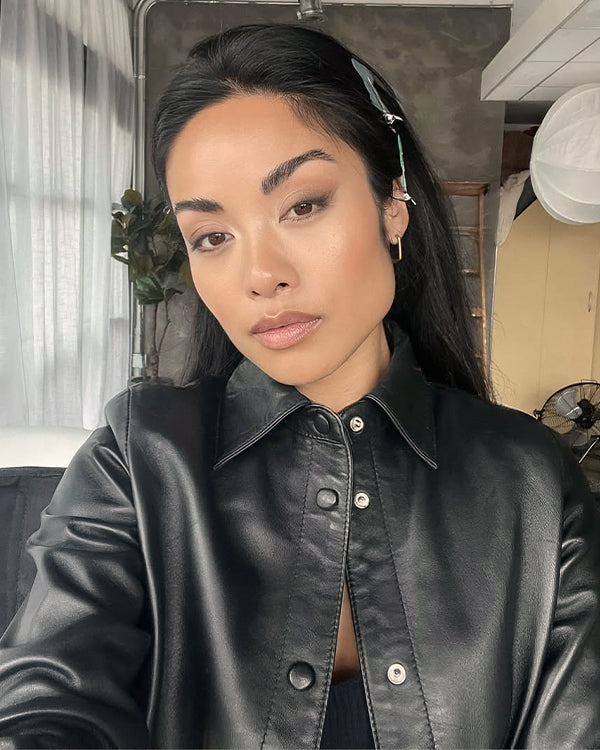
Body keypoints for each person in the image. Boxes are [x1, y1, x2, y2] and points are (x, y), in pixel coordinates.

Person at [0, 22, 598, 750]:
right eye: (212, 236)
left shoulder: (533, 484)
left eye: (303, 205)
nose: (260, 275)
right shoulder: (138, 459)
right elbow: (45, 698)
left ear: (392, 204)